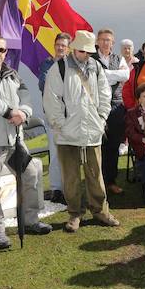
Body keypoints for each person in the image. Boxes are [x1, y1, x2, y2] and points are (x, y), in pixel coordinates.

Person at [0, 34, 52, 249]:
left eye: (2, 50)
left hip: (15, 139)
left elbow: (26, 97)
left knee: (30, 175)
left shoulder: (13, 75)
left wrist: (23, 114)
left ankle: (30, 220)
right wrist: (9, 111)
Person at [43, 30, 119, 232]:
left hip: (92, 131)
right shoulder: (59, 68)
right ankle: (75, 214)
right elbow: (51, 100)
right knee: (71, 177)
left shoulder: (95, 67)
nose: (84, 54)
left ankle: (101, 211)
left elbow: (105, 94)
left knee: (95, 174)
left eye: (87, 51)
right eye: (81, 50)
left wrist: (101, 119)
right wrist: (62, 125)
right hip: (67, 134)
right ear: (74, 48)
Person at [91, 29, 130, 195]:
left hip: (115, 106)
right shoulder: (90, 58)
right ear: (98, 42)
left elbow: (125, 75)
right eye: (103, 40)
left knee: (113, 146)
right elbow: (92, 78)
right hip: (96, 107)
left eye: (109, 40)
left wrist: (104, 74)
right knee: (97, 146)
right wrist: (114, 75)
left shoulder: (118, 58)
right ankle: (97, 183)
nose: (106, 43)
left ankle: (111, 182)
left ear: (113, 43)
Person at [38, 32, 71, 205]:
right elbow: (43, 84)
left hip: (70, 116)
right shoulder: (47, 64)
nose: (60, 48)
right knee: (55, 153)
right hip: (52, 116)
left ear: (68, 48)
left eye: (63, 45)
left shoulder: (72, 65)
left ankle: (70, 188)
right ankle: (57, 189)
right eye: (58, 44)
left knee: (70, 153)